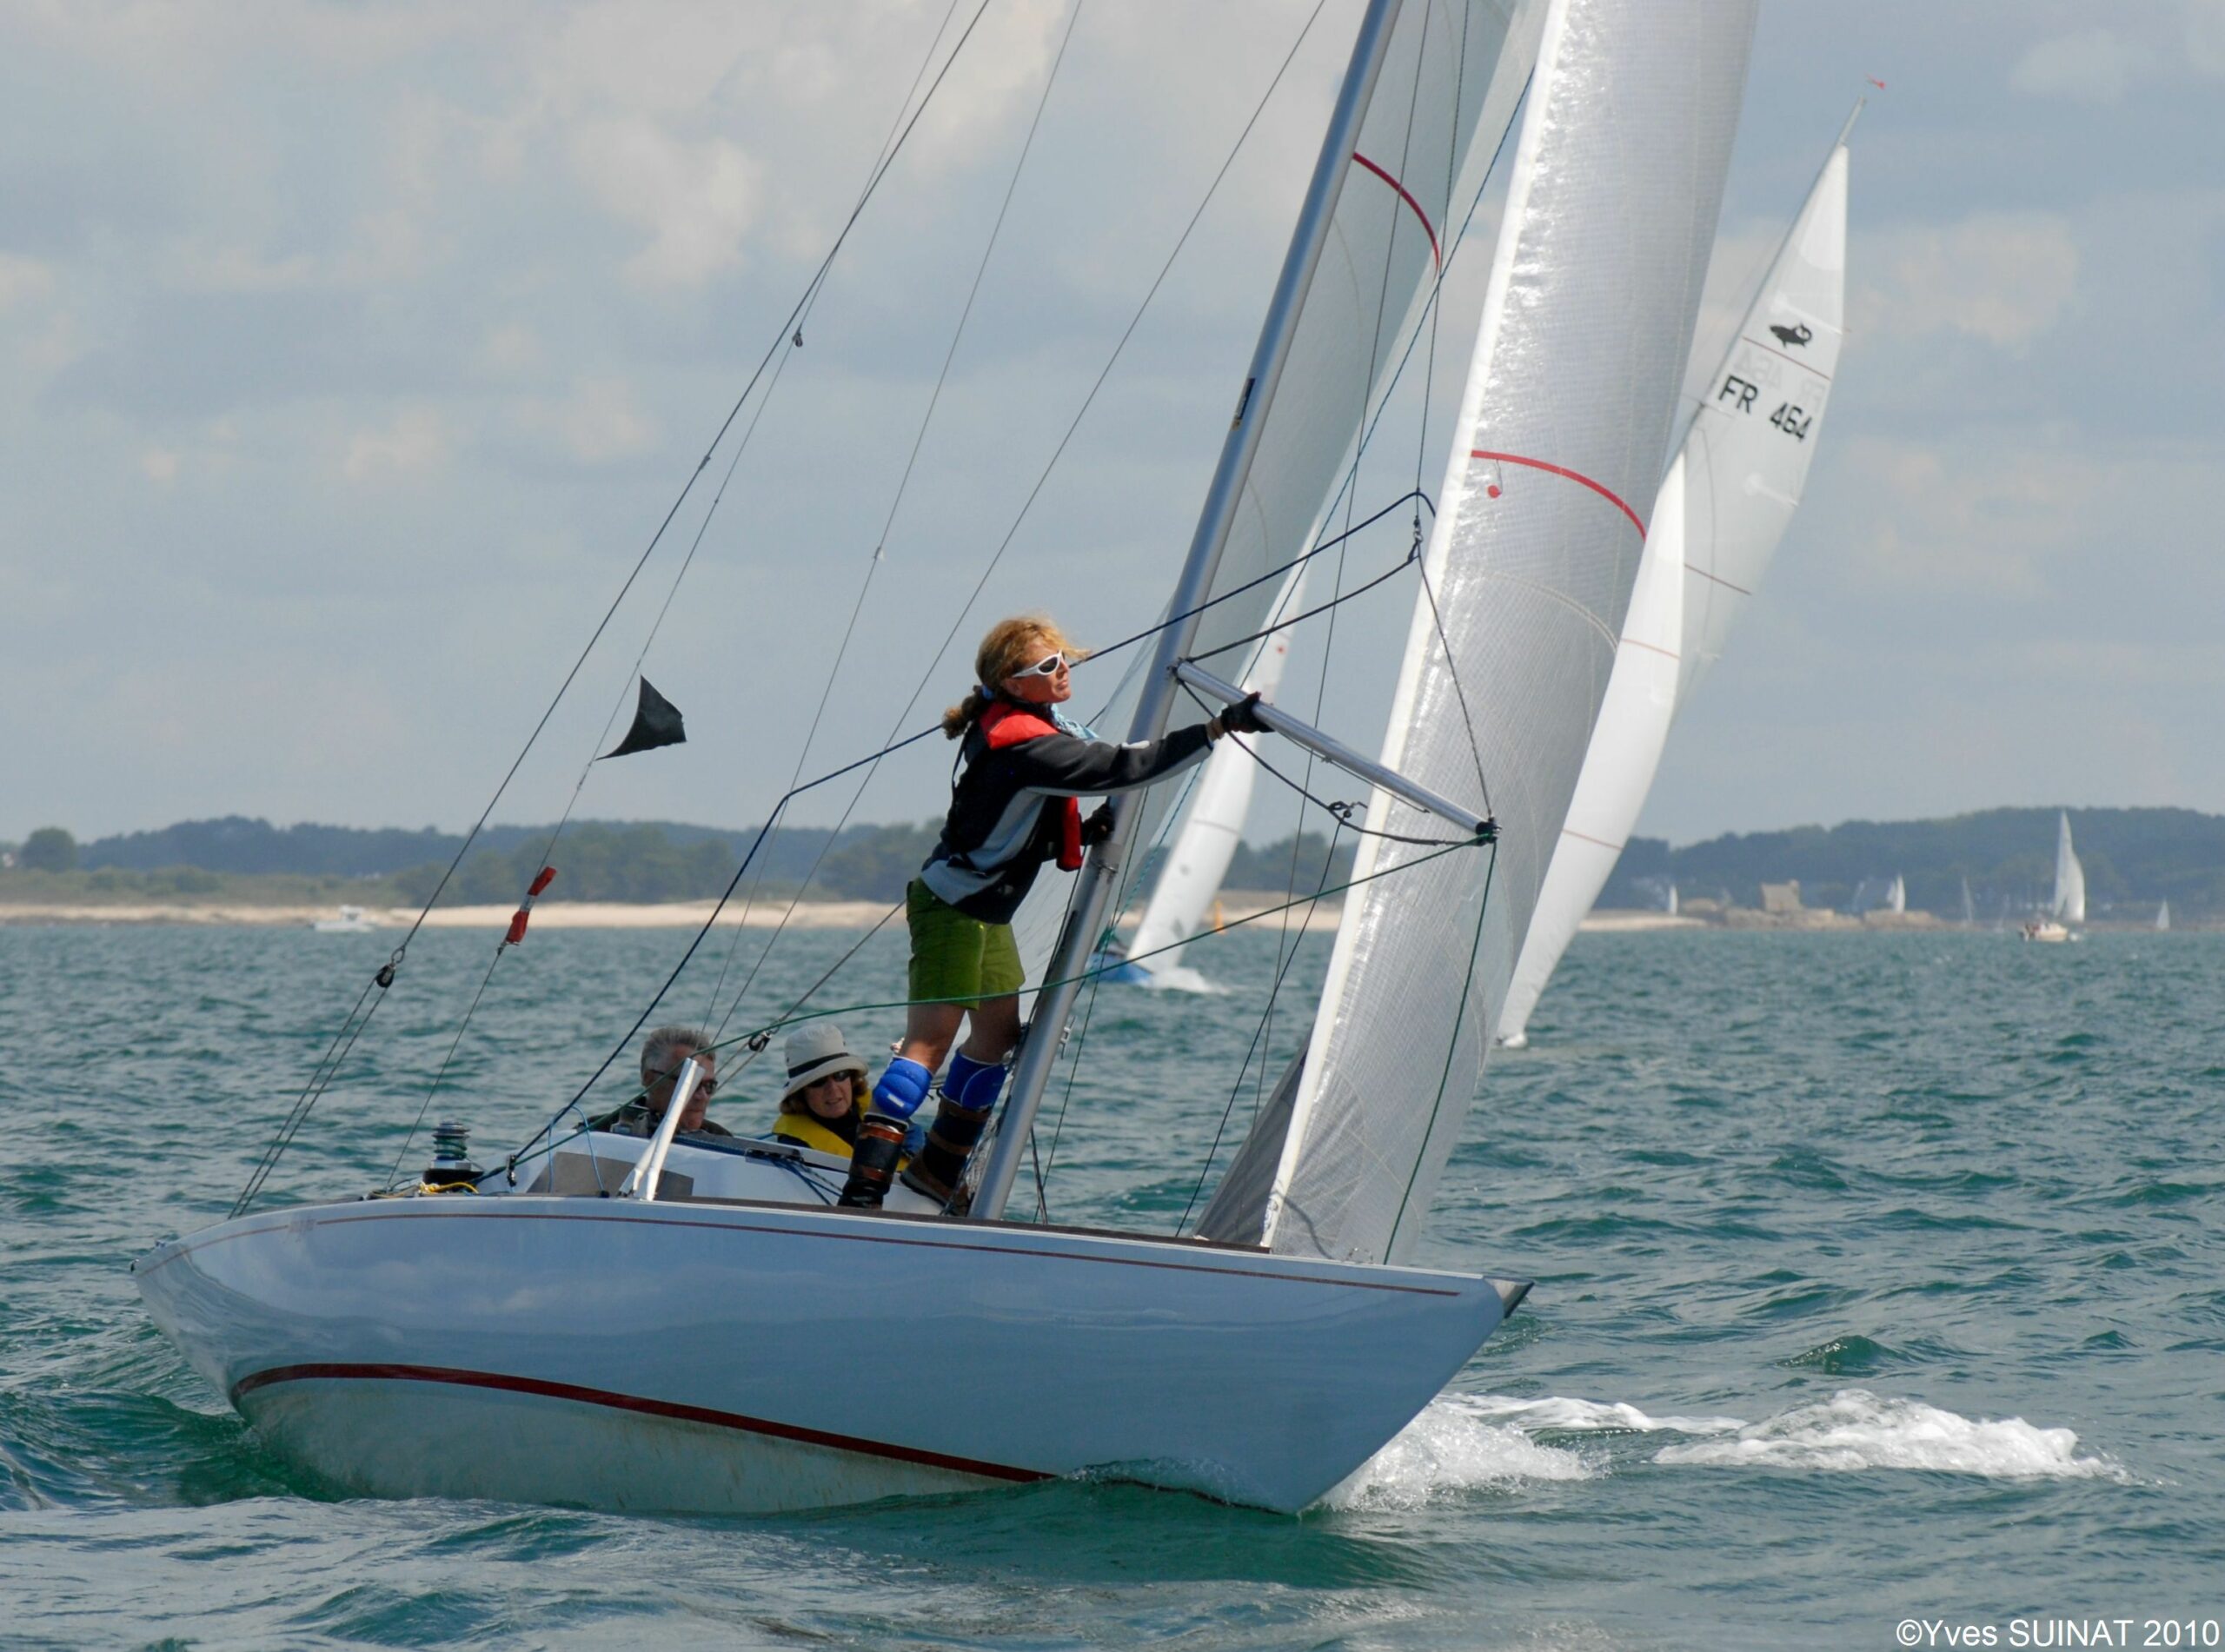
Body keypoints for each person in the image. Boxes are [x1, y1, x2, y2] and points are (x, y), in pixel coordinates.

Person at [840, 614, 1271, 1210]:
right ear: (1012, 683)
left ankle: (937, 1171)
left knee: (996, 1037)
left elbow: (1003, 828)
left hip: (986, 913)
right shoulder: (1026, 744)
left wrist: (1075, 834)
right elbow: (1123, 768)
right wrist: (1219, 727)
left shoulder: (1034, 726)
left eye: (1065, 657)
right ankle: (863, 1193)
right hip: (952, 907)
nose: (1063, 669)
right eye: (1047, 665)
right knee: (928, 1045)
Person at [607, 1025, 731, 1139]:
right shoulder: (602, 1134)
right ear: (649, 1079)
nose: (703, 1097)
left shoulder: (723, 1140)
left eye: (709, 1086)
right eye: (690, 1084)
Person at [769, 1023, 872, 1158]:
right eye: (818, 1081)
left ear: (851, 1078)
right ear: (801, 1093)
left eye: (840, 1075)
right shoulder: (795, 1148)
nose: (833, 1089)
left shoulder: (885, 1111)